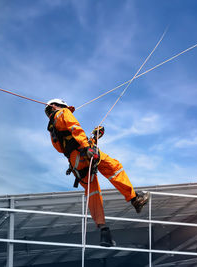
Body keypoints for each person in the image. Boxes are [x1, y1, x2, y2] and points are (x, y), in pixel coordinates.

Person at [45, 98, 150, 247]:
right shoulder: (63, 112)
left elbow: (69, 146)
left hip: (76, 163)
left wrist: (94, 138)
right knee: (113, 167)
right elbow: (75, 128)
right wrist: (88, 146)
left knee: (93, 193)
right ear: (57, 106)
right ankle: (134, 199)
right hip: (82, 154)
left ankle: (104, 231)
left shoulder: (52, 131)